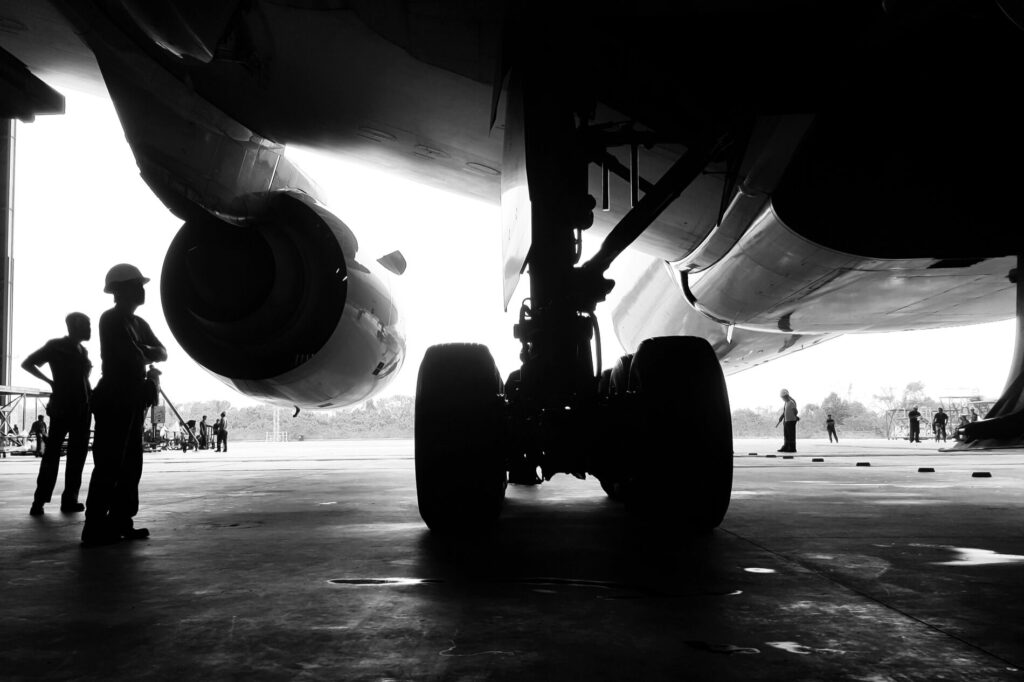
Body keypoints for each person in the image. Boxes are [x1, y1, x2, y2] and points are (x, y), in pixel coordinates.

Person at [81, 264, 167, 547]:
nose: (142, 290)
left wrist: (142, 352)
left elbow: (162, 352)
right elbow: (132, 357)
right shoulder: (111, 319)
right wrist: (145, 353)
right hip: (115, 397)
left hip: (133, 397)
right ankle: (94, 526)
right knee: (109, 464)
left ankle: (121, 521)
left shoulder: (139, 323)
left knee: (131, 465)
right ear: (120, 291)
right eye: (136, 285)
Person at [22, 312, 93, 516]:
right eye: (86, 325)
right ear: (74, 326)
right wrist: (51, 382)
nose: (89, 329)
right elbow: (28, 363)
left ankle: (70, 499)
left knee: (76, 457)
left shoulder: (83, 350)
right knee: (52, 456)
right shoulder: (56, 346)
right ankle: (39, 500)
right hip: (64, 406)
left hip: (83, 408)